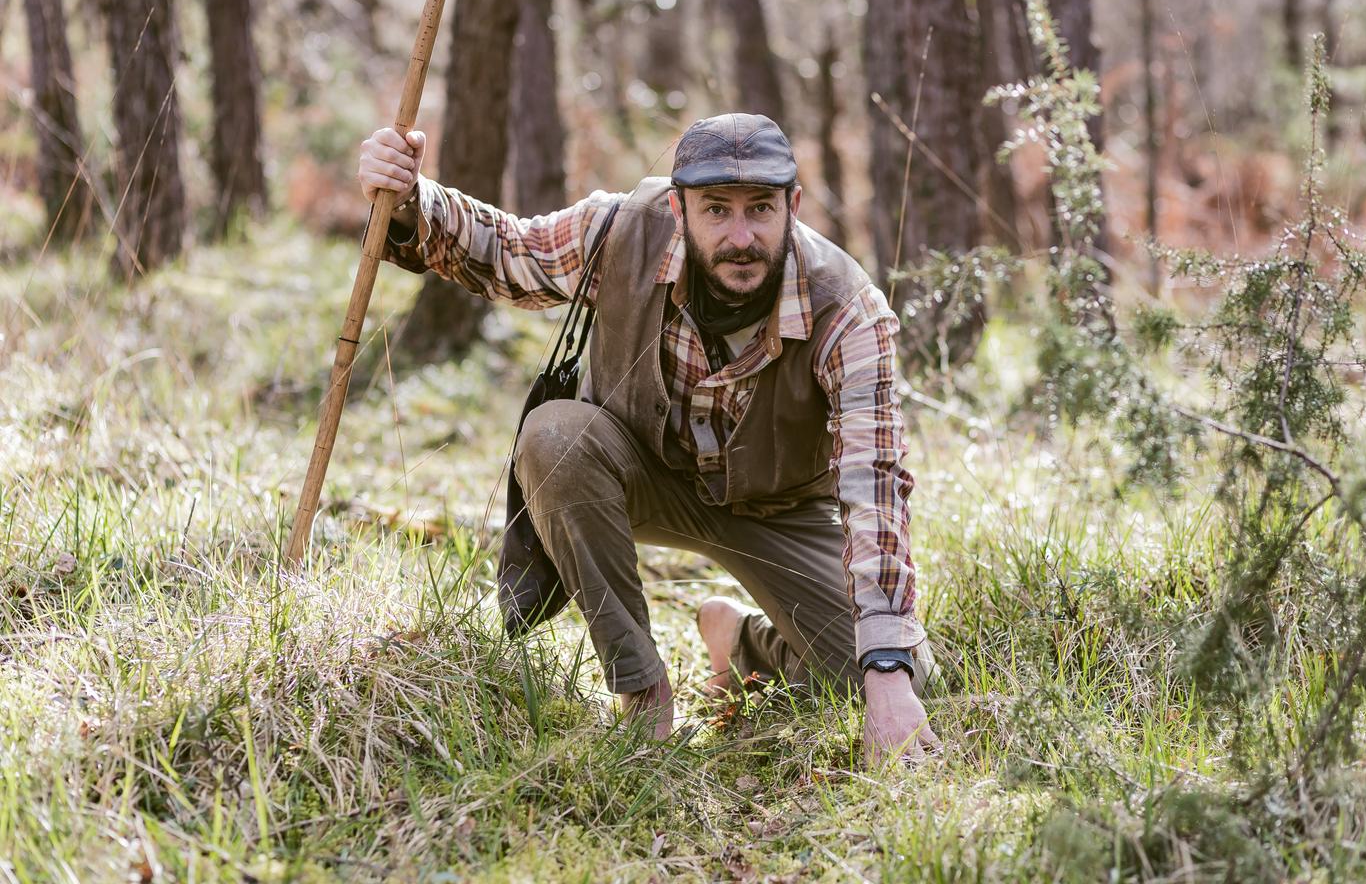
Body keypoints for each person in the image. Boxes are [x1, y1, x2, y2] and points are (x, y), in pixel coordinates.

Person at [357, 113, 937, 765]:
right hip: (643, 476)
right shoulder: (619, 230)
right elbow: (506, 252)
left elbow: (875, 482)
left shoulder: (849, 309)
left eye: (760, 210)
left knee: (897, 675)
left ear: (792, 206)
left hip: (784, 510)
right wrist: (409, 198)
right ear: (677, 206)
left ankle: (740, 643)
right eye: (715, 210)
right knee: (554, 435)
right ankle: (643, 693)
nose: (740, 237)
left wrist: (887, 674)